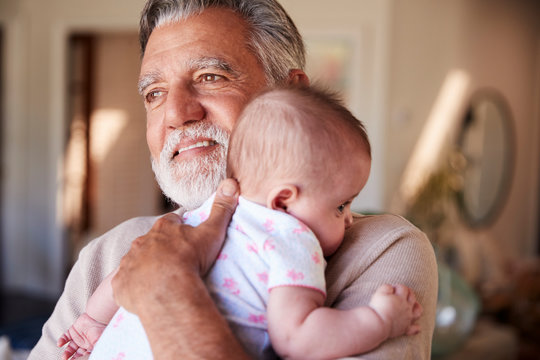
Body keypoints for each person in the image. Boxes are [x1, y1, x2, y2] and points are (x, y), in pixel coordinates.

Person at [29, 1, 438, 359]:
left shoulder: (381, 249)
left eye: (210, 76)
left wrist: (165, 290)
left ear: (290, 93)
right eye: (154, 92)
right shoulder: (110, 252)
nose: (176, 113)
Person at [57, 86, 423, 360]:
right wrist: (380, 321)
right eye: (341, 205)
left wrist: (92, 321)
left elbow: (126, 275)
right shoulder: (293, 240)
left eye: (211, 77)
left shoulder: (203, 218)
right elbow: (296, 339)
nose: (348, 220)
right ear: (283, 201)